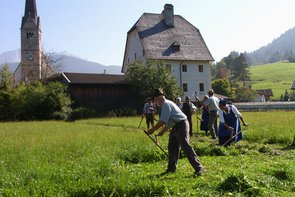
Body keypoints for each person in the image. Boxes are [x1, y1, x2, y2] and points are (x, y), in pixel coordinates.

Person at [147, 89, 204, 176]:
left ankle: (199, 167)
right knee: (172, 147)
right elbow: (170, 121)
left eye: (154, 100)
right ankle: (171, 169)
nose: (155, 103)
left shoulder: (166, 104)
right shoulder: (166, 104)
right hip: (175, 126)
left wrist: (152, 130)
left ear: (157, 98)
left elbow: (162, 121)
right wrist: (163, 131)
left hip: (182, 124)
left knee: (185, 145)